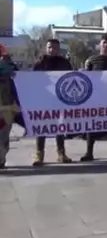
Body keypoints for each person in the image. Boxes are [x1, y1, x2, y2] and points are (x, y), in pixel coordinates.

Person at [32, 38, 74, 166]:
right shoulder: (39, 62)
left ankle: (61, 153)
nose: (52, 50)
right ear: (46, 48)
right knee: (42, 127)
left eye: (54, 48)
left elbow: (71, 77)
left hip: (60, 99)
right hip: (44, 99)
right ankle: (39, 154)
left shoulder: (64, 63)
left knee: (60, 126)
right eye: (49, 47)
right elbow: (31, 79)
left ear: (58, 49)